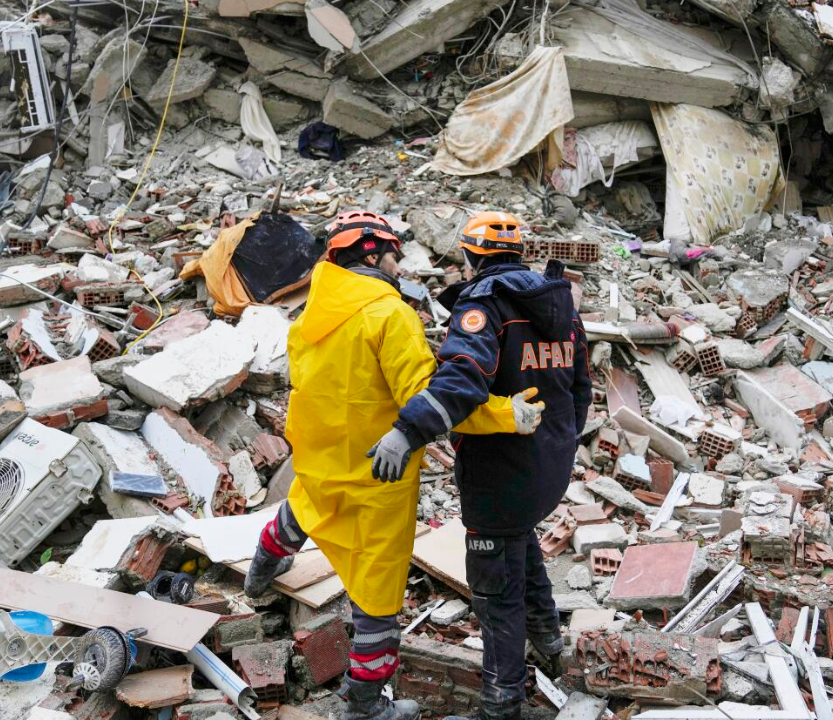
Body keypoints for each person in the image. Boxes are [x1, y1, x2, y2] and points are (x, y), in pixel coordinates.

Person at [242, 210, 545, 720]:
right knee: (377, 603)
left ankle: (258, 579)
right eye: (393, 255)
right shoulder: (390, 316)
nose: (399, 266)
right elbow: (428, 401)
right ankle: (364, 706)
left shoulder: (312, 314)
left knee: (297, 517)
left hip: (318, 464)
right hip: (376, 479)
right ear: (370, 253)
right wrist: (506, 414)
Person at [368, 211, 592, 720]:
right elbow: (580, 387)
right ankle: (549, 642)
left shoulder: (483, 305)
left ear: (472, 257)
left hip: (499, 472)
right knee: (520, 539)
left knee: (495, 590)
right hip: (548, 464)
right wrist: (559, 443)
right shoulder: (559, 302)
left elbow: (463, 381)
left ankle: (501, 701)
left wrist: (408, 431)